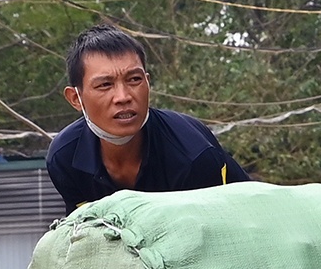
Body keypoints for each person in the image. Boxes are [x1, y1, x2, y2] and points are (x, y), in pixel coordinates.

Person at [45, 25, 251, 210]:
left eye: (134, 80)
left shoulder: (193, 155)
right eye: (105, 85)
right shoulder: (64, 158)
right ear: (76, 98)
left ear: (148, 83)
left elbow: (218, 235)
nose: (123, 97)